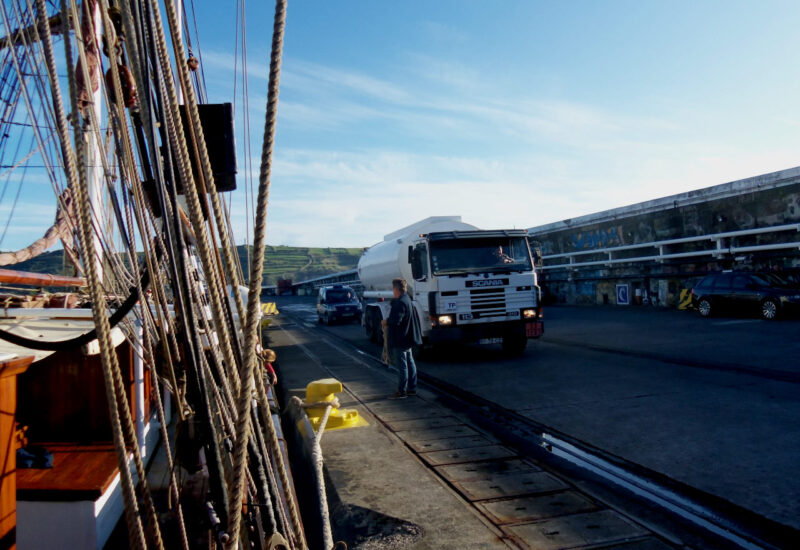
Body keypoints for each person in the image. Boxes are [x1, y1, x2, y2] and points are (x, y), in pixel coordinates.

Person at [381, 278, 422, 399]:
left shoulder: (399, 303)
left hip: (401, 338)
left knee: (403, 365)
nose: (392, 291)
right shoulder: (407, 299)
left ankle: (401, 391)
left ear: (396, 289)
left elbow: (395, 320)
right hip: (408, 337)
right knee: (410, 363)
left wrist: (385, 322)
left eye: (393, 289)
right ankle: (412, 388)